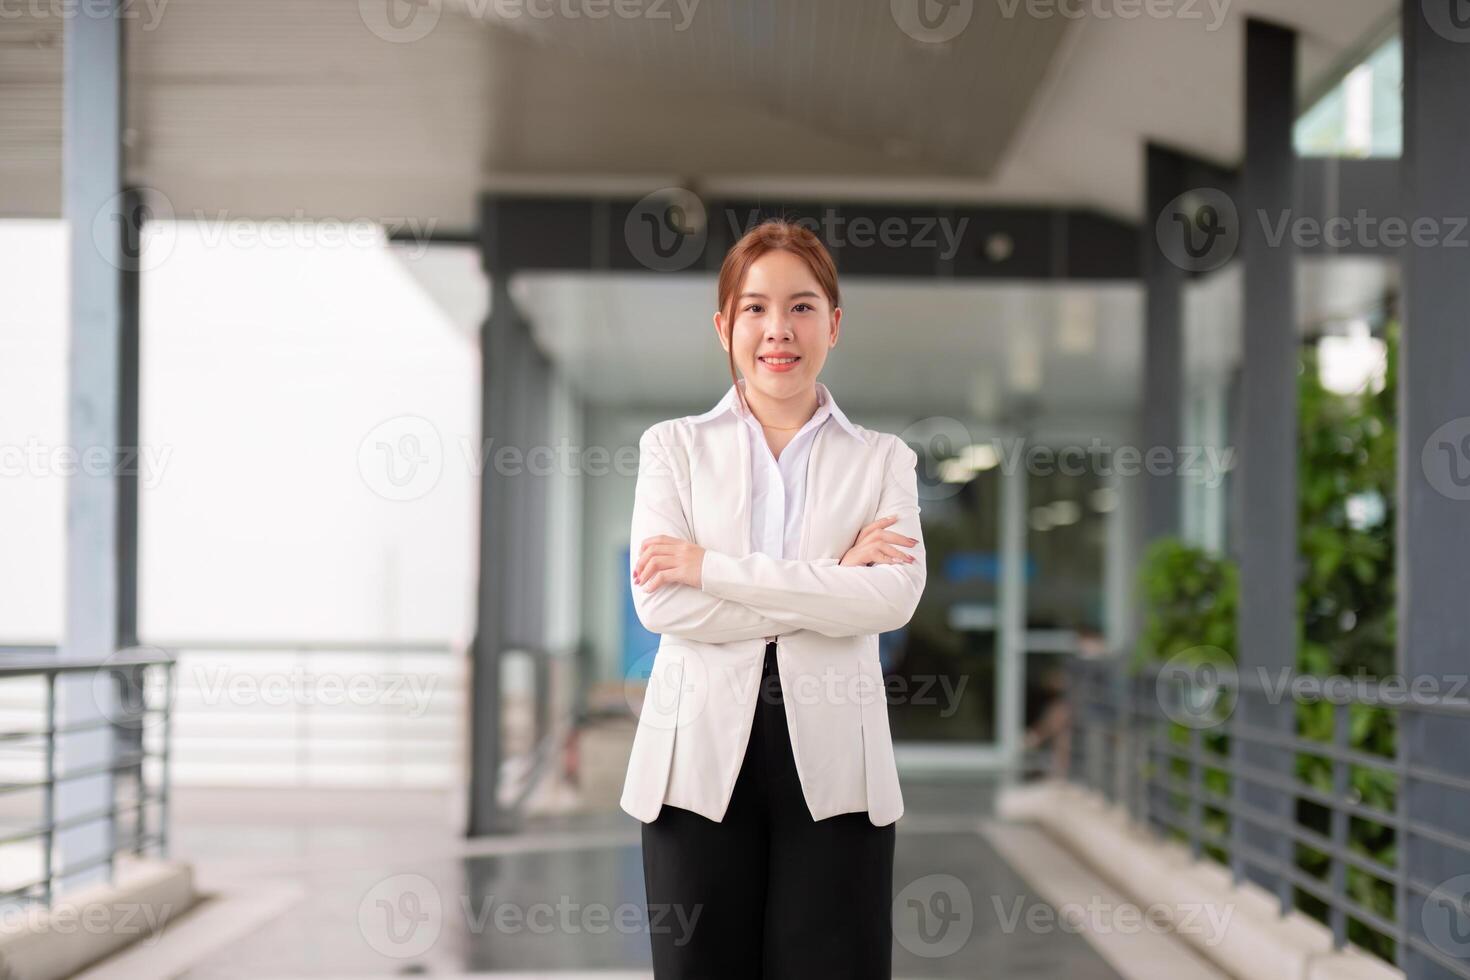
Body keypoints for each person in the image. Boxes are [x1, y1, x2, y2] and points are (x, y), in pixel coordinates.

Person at [621, 219, 928, 979]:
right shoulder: (673, 448)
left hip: (838, 775)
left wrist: (710, 567)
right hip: (693, 765)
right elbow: (662, 606)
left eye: (801, 306)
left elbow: (891, 599)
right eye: (755, 308)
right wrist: (832, 578)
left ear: (834, 324)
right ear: (725, 325)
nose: (777, 329)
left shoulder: (885, 459)